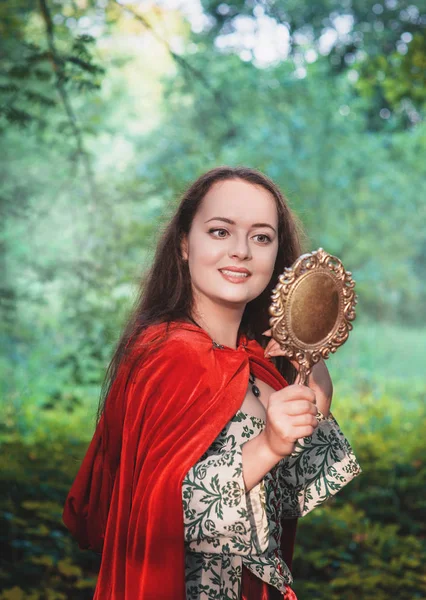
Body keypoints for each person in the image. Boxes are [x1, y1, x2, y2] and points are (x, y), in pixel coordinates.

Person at [63, 166, 362, 600]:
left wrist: (315, 395)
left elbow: (284, 502)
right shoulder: (167, 356)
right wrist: (267, 447)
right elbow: (153, 518)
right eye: (220, 232)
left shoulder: (258, 361)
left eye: (261, 237)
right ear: (185, 243)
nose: (241, 251)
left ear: (277, 255)